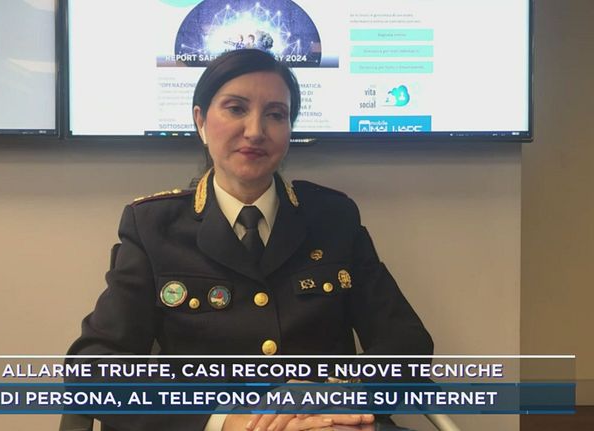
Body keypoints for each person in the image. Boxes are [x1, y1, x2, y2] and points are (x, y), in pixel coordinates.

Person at [66, 49, 433, 431]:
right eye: (236, 108)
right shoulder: (154, 226)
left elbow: (408, 345)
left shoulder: (333, 218)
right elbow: (93, 367)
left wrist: (334, 395)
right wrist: (225, 421)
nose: (256, 130)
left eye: (276, 114)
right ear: (200, 120)